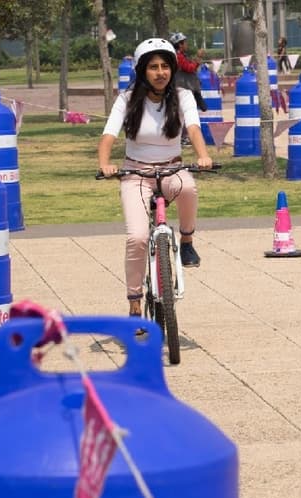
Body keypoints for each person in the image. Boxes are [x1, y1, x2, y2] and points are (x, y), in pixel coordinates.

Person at [97, 38, 214, 319]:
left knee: (188, 188)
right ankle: (135, 302)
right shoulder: (126, 100)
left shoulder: (183, 97)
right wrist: (105, 164)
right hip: (135, 174)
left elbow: (195, 130)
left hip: (172, 169)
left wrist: (203, 156)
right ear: (142, 71)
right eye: (153, 67)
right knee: (137, 237)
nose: (160, 73)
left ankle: (186, 241)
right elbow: (108, 135)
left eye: (165, 66)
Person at [168, 32, 207, 112]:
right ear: (180, 45)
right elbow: (189, 68)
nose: (187, 44)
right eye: (185, 42)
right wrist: (198, 57)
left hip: (188, 88)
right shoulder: (178, 56)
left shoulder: (182, 55)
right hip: (183, 88)